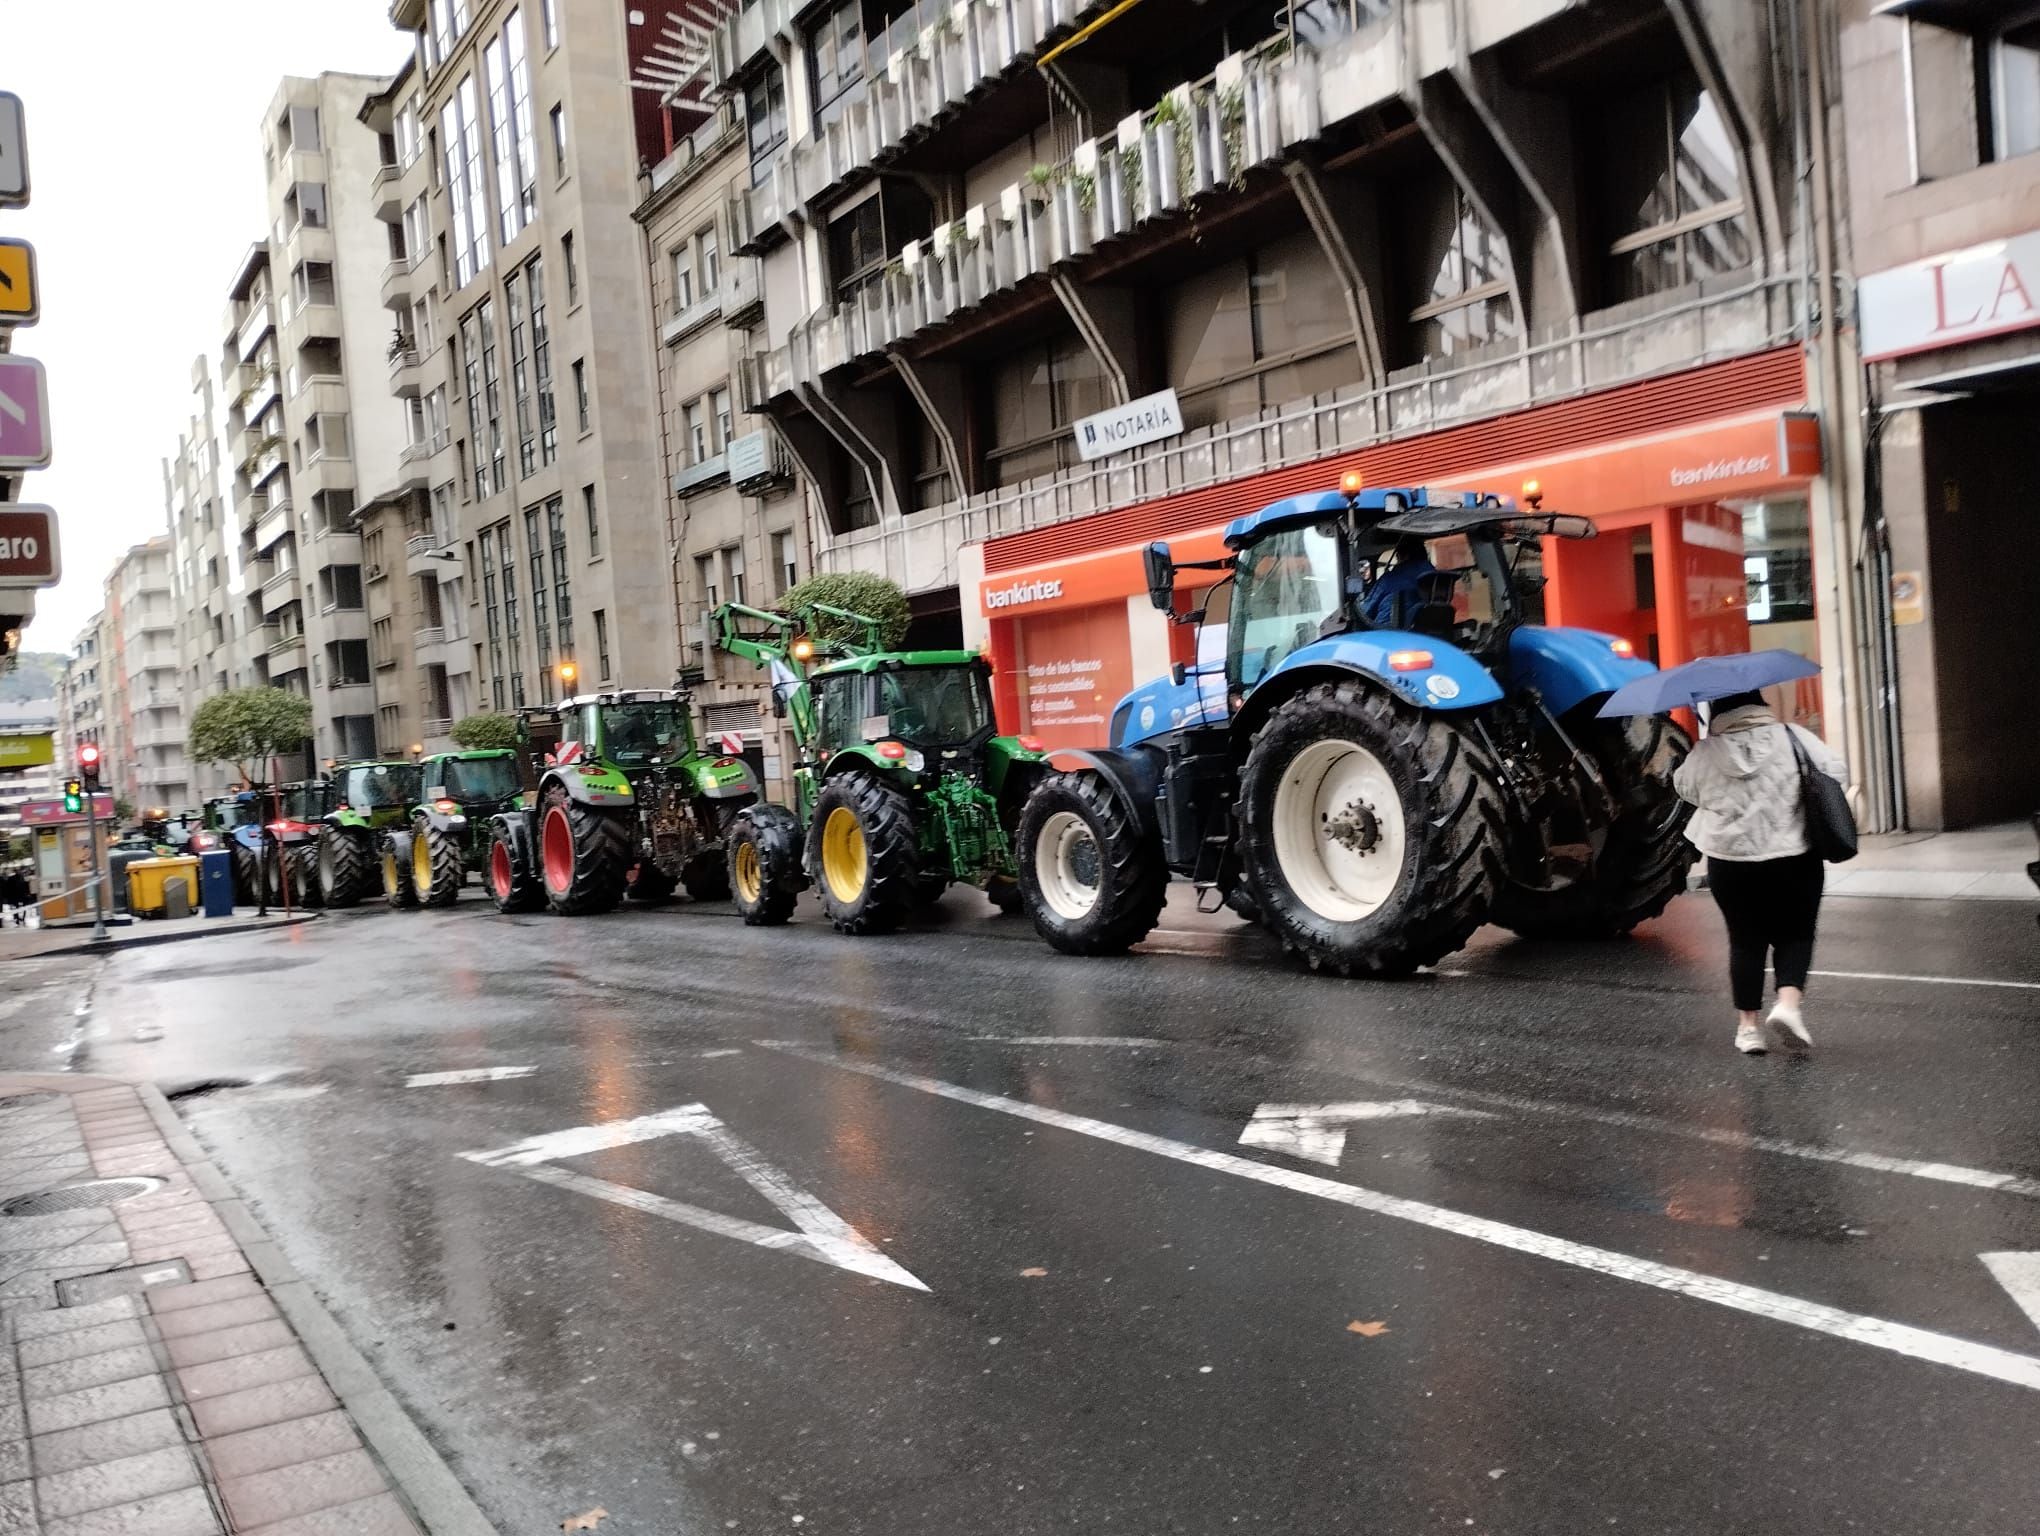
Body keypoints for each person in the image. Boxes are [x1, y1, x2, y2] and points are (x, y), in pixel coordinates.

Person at [1673, 689, 1846, 1056]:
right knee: (1796, 933)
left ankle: (1748, 1029)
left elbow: (1683, 788)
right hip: (1794, 855)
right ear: (1760, 704)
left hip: (1731, 862)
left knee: (1745, 940)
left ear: (1718, 711)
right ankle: (1787, 1006)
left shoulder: (1706, 751)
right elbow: (1836, 771)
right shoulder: (1794, 736)